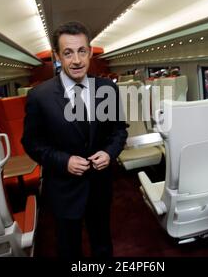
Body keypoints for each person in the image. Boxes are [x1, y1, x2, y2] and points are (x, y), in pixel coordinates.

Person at [21, 21, 128, 258]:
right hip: (63, 189)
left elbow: (119, 131)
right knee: (68, 248)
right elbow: (31, 143)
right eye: (68, 53)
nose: (77, 60)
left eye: (81, 51)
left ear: (90, 52)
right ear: (57, 56)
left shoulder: (107, 89)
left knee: (102, 244)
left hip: (100, 186)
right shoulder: (40, 96)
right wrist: (64, 161)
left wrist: (110, 153)